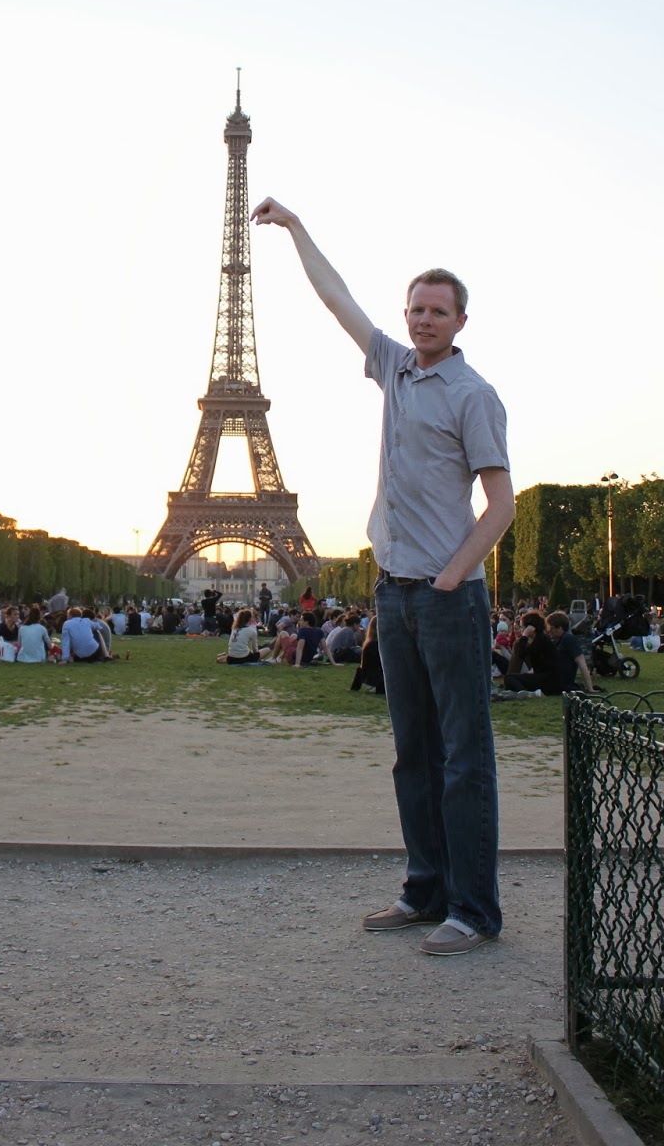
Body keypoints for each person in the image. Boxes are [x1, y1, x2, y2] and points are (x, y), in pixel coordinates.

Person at [252, 197, 513, 956]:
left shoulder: (473, 396)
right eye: (416, 310)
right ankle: (425, 889)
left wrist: (450, 578)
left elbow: (501, 505)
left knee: (464, 757)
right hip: (392, 592)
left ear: (461, 321)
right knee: (413, 754)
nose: (423, 320)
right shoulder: (394, 367)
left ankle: (475, 909)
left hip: (444, 594)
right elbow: (336, 299)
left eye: (438, 311)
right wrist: (298, 229)